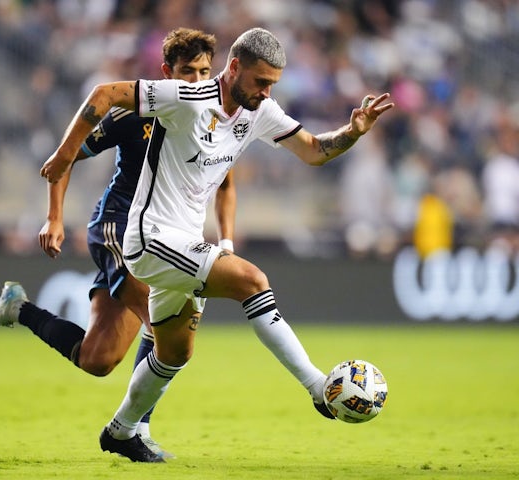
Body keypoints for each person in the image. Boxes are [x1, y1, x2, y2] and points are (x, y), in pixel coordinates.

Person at [40, 27, 394, 463]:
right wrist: (63, 153)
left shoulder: (259, 111)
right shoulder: (188, 98)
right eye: (260, 81)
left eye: (273, 85)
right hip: (150, 238)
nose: (266, 92)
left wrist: (352, 132)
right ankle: (318, 387)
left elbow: (315, 151)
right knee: (251, 280)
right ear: (234, 67)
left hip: (185, 242)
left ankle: (122, 430)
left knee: (173, 352)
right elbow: (106, 92)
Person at [0, 28, 231, 461]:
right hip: (118, 228)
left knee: (98, 359)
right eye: (187, 72)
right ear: (167, 72)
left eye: (205, 72)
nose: (196, 82)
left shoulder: (213, 118)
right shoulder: (134, 113)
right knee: (162, 318)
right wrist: (55, 216)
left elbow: (227, 184)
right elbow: (66, 154)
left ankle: (17, 308)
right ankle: (135, 432)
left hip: (168, 240)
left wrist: (225, 238)